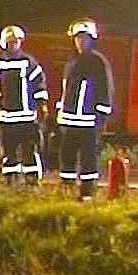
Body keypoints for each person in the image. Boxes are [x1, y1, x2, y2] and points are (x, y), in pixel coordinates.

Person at [56, 19, 114, 200]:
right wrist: (60, 113)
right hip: (68, 120)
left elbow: (105, 90)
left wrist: (101, 117)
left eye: (84, 38)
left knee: (88, 157)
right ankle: (67, 188)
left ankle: (87, 192)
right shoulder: (71, 61)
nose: (80, 42)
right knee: (67, 156)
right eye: (78, 38)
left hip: (89, 121)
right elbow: (66, 89)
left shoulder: (98, 62)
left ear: (92, 39)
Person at [0, 25, 50, 185]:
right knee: (8, 155)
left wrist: (41, 105)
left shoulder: (29, 63)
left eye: (16, 42)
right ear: (4, 43)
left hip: (27, 119)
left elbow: (39, 85)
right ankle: (10, 183)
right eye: (10, 42)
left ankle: (32, 183)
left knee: (29, 153)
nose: (13, 45)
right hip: (5, 120)